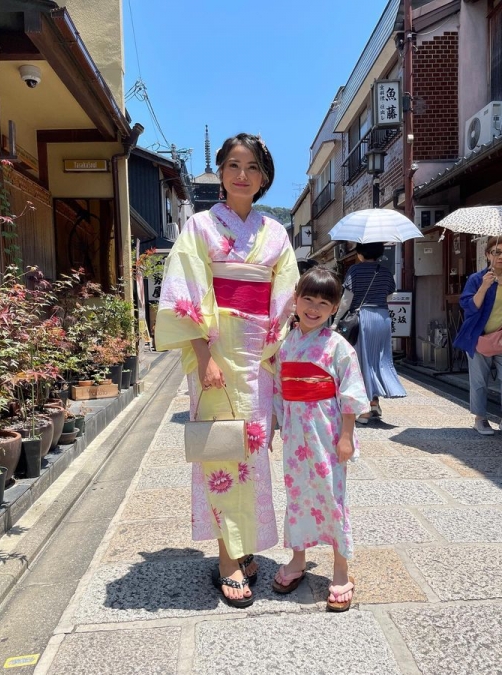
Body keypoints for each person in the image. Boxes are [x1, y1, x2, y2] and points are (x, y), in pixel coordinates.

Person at [155, 133, 299, 608]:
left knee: (254, 452)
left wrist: (278, 351)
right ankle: (227, 560)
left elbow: (286, 297)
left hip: (259, 356)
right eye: (234, 165)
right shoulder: (199, 227)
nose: (243, 174)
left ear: (264, 177)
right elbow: (186, 292)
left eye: (252, 167)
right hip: (215, 352)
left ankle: (242, 545)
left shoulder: (275, 233)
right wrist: (203, 355)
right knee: (221, 452)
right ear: (220, 171)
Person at [272, 267, 369, 611]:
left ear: (334, 308)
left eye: (323, 303)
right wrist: (273, 425)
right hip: (296, 435)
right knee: (297, 496)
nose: (313, 308)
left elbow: (352, 394)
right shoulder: (286, 344)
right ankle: (298, 558)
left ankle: (341, 569)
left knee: (332, 497)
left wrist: (347, 436)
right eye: (307, 299)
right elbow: (280, 390)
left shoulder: (337, 346)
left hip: (326, 434)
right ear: (295, 299)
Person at [332, 241, 406, 423]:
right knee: (378, 360)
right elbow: (390, 296)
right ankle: (374, 402)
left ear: (360, 254)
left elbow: (346, 300)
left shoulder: (355, 271)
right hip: (382, 318)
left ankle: (364, 411)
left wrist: (335, 321)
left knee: (360, 362)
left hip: (362, 317)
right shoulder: (386, 272)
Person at [453, 236, 502, 435]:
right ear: (487, 254)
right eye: (496, 252)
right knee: (479, 381)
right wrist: (483, 287)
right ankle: (480, 419)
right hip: (478, 337)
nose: (500, 257)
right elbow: (469, 307)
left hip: (500, 336)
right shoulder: (477, 279)